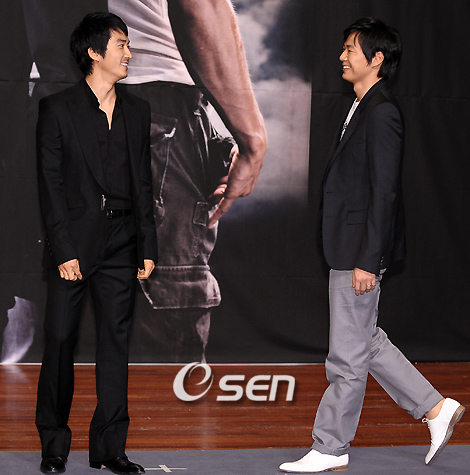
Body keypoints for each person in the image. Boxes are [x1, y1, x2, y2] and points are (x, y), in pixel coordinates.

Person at [279, 18, 465, 473]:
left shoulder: (382, 111)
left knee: (346, 357)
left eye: (350, 49)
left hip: (357, 250)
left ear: (377, 58)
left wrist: (368, 259)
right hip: (348, 244)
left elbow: (385, 193)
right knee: (365, 340)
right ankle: (436, 408)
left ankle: (331, 446)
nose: (342, 56)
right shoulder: (362, 106)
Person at [107, 0, 267, 362]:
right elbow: (200, 5)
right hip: (148, 99)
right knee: (165, 340)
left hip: (51, 96)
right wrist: (252, 138)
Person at [35, 12, 157, 474]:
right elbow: (50, 186)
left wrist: (148, 245)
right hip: (74, 245)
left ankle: (110, 448)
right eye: (121, 45)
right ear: (94, 52)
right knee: (60, 341)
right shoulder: (58, 109)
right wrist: (63, 249)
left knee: (114, 344)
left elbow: (143, 183)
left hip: (122, 243)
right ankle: (54, 444)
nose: (129, 53)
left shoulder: (138, 111)